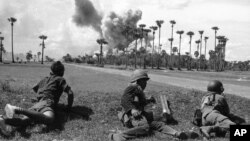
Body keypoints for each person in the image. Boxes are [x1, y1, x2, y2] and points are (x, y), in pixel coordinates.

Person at [109, 69, 198, 141]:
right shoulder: (132, 87)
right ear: (139, 81)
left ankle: (177, 134)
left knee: (157, 124)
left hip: (139, 114)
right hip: (131, 116)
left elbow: (137, 102)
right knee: (146, 127)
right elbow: (124, 99)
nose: (146, 83)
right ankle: (119, 136)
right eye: (145, 81)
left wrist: (148, 100)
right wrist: (132, 110)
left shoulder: (138, 90)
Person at [0, 61, 74, 136]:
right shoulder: (60, 79)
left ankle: (4, 120)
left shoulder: (45, 79)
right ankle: (17, 109)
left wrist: (41, 98)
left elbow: (35, 88)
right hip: (47, 102)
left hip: (38, 104)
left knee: (24, 121)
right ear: (61, 71)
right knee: (49, 118)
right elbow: (70, 93)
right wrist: (69, 108)